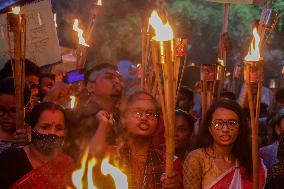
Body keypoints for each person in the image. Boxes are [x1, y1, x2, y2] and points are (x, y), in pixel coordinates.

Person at [90, 91, 183, 188]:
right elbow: (89, 164)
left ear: (158, 122)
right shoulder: (111, 154)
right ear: (124, 118)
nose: (143, 118)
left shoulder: (170, 164)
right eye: (137, 112)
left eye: (150, 114)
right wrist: (103, 126)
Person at [183, 99, 266, 189]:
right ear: (210, 129)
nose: (225, 129)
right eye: (218, 124)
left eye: (232, 123)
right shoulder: (197, 159)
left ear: (240, 129)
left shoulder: (249, 160)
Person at [0, 102, 74, 189]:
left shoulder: (66, 164)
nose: (52, 133)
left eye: (59, 128)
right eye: (45, 127)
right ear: (30, 131)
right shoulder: (9, 161)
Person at [0, 77, 30, 154]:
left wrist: (29, 145)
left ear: (26, 108)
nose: (6, 117)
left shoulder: (32, 135)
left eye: (13, 111)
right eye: (1, 110)